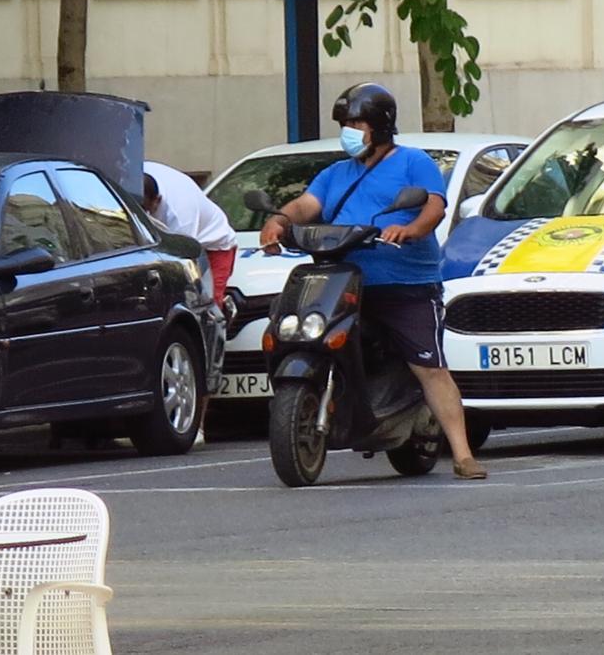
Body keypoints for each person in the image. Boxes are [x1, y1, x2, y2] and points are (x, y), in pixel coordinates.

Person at [257, 83, 487, 481]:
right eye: (346, 123)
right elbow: (305, 206)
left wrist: (411, 229)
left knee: (429, 368)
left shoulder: (413, 162)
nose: (350, 130)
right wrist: (279, 220)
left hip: (405, 285)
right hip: (345, 282)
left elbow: (433, 205)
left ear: (380, 126)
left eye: (357, 123)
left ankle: (464, 454)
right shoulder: (335, 174)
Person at [142, 161, 238, 309]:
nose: (145, 214)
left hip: (215, 246)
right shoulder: (138, 174)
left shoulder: (181, 215)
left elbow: (180, 261)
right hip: (173, 237)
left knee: (208, 304)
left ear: (158, 200)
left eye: (147, 209)